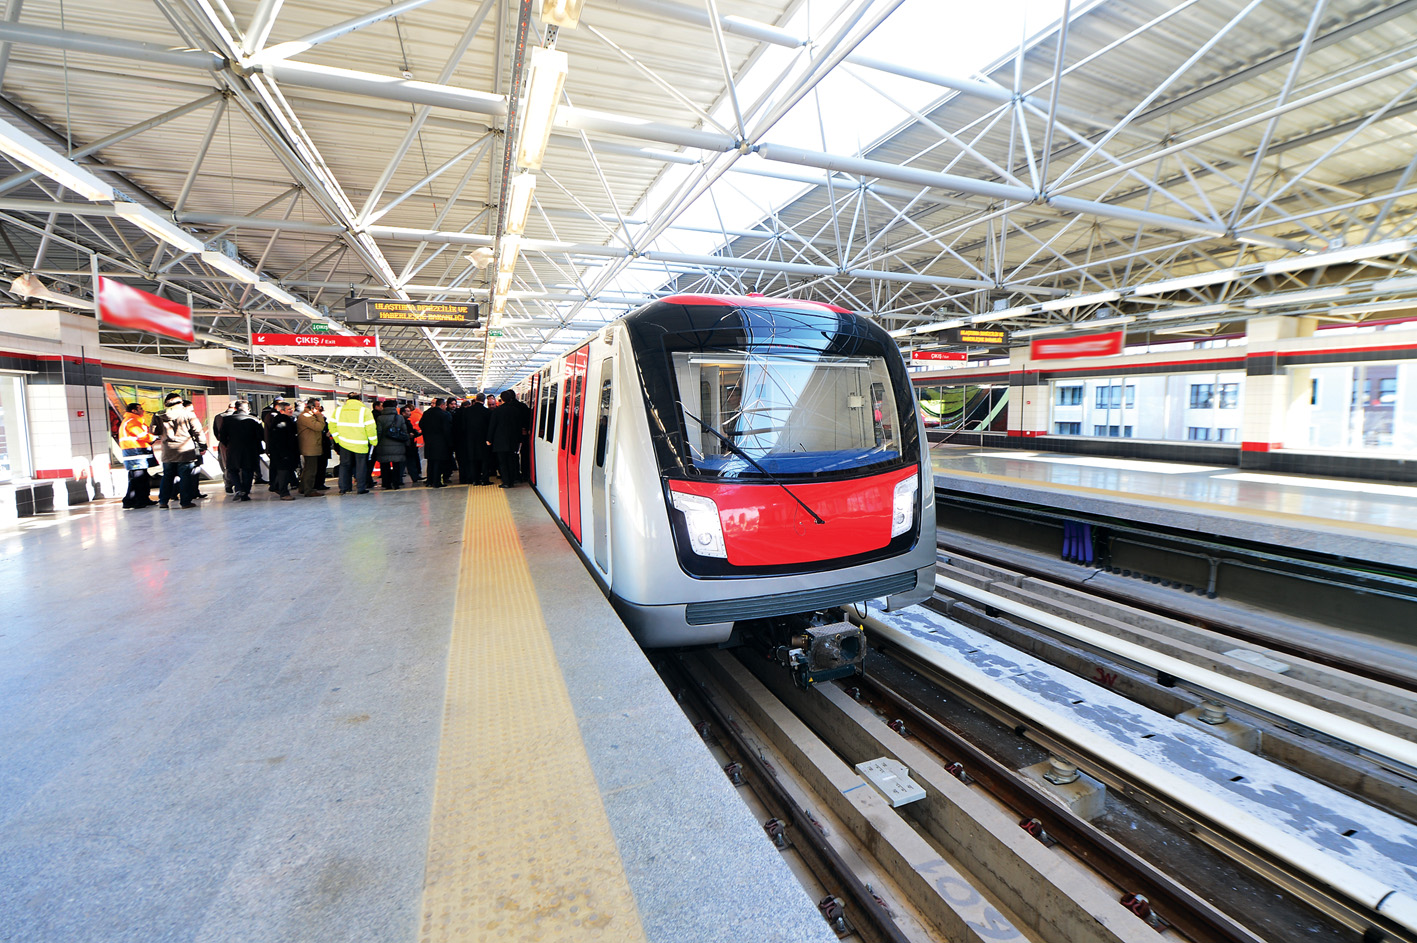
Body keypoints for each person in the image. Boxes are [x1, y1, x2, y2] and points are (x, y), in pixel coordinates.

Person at [150, 392, 206, 508]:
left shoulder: (158, 415)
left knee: (167, 476)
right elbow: (197, 431)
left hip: (167, 451)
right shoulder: (188, 414)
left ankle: (163, 501)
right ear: (180, 402)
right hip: (185, 450)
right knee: (185, 476)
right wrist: (203, 445)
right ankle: (185, 502)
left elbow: (154, 431)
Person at [329, 392, 378, 495]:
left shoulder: (338, 411)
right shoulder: (365, 411)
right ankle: (361, 488)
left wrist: (338, 439)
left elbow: (332, 426)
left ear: (347, 400)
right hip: (360, 444)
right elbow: (371, 428)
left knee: (344, 465)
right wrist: (373, 441)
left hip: (344, 443)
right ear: (359, 400)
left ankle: (344, 488)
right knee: (361, 466)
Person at [217, 401, 264, 501]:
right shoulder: (253, 420)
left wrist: (228, 445)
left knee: (232, 470)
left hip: (233, 449)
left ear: (236, 408)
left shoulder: (227, 420)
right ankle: (245, 492)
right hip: (250, 449)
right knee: (248, 470)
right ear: (246, 409)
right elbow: (260, 436)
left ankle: (238, 488)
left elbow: (222, 437)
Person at [487, 389, 528, 489]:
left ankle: (505, 482)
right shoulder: (516, 411)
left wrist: (489, 439)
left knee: (502, 462)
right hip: (513, 441)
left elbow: (492, 426)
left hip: (499, 441)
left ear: (501, 399)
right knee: (511, 460)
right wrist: (519, 439)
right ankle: (512, 480)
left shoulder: (497, 411)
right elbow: (519, 426)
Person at [118, 403, 157, 509]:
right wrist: (153, 437)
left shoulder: (131, 421)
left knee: (141, 478)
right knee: (138, 479)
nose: (143, 410)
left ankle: (141, 499)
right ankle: (136, 500)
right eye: (140, 408)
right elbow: (141, 435)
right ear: (134, 411)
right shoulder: (132, 421)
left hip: (135, 454)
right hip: (135, 454)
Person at [266, 399, 300, 500]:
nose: (291, 411)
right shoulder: (281, 421)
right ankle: (283, 492)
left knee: (284, 471)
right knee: (283, 471)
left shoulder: (287, 419)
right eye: (288, 409)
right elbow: (280, 438)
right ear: (282, 411)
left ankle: (275, 486)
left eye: (291, 409)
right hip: (283, 452)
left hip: (284, 451)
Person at [373, 399, 410, 489]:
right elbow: (404, 431)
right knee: (397, 465)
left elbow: (379, 432)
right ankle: (396, 483)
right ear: (395, 407)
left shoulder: (380, 418)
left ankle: (386, 484)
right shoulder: (400, 418)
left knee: (385, 465)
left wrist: (377, 444)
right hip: (398, 445)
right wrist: (407, 443)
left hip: (383, 446)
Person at [297, 399, 327, 497]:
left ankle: (303, 487)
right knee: (311, 469)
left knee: (308, 468)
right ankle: (308, 490)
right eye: (317, 406)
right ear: (312, 407)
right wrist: (318, 415)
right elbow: (319, 427)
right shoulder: (306, 416)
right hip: (310, 447)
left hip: (312, 445)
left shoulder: (309, 415)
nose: (320, 408)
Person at [420, 397, 453, 487]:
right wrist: (449, 443)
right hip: (441, 443)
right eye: (445, 405)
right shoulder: (444, 415)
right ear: (442, 405)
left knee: (430, 462)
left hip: (429, 442)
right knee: (439, 463)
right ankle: (437, 482)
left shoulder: (426, 413)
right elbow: (447, 430)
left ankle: (429, 481)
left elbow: (421, 425)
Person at [463, 393, 492, 485]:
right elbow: (490, 427)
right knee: (485, 460)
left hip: (470, 440)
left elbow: (463, 427)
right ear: (484, 401)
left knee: (473, 460)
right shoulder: (487, 412)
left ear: (475, 400)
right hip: (484, 440)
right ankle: (485, 479)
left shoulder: (467, 411)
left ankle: (475, 480)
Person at [211, 400, 239, 494]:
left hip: (223, 444)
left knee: (226, 465)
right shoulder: (236, 417)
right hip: (236, 444)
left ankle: (228, 484)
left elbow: (215, 431)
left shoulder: (218, 417)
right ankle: (238, 485)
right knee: (238, 465)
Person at [406, 402, 424, 482]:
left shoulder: (413, 416)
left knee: (412, 458)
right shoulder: (418, 414)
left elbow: (416, 427)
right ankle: (416, 474)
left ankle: (415, 474)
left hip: (414, 440)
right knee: (415, 457)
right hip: (417, 438)